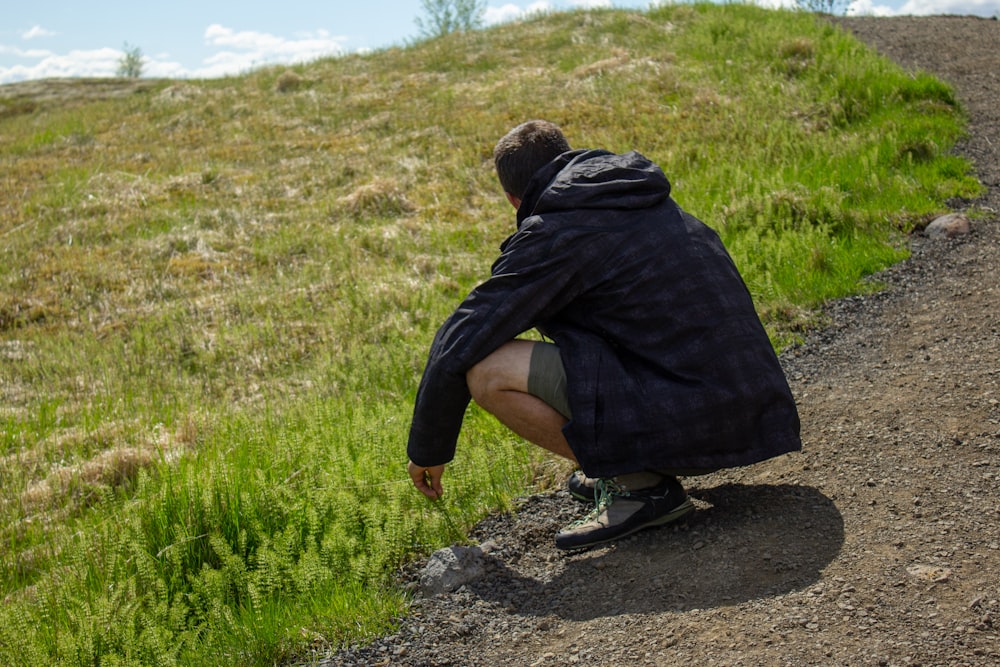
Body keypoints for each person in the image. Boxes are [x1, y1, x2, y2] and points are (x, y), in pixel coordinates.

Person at [406, 120, 801, 550]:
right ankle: (628, 464)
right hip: (755, 410)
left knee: (489, 370)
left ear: (511, 198)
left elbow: (462, 337)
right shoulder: (643, 197)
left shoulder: (559, 230)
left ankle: (640, 485)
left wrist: (428, 450)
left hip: (699, 422)